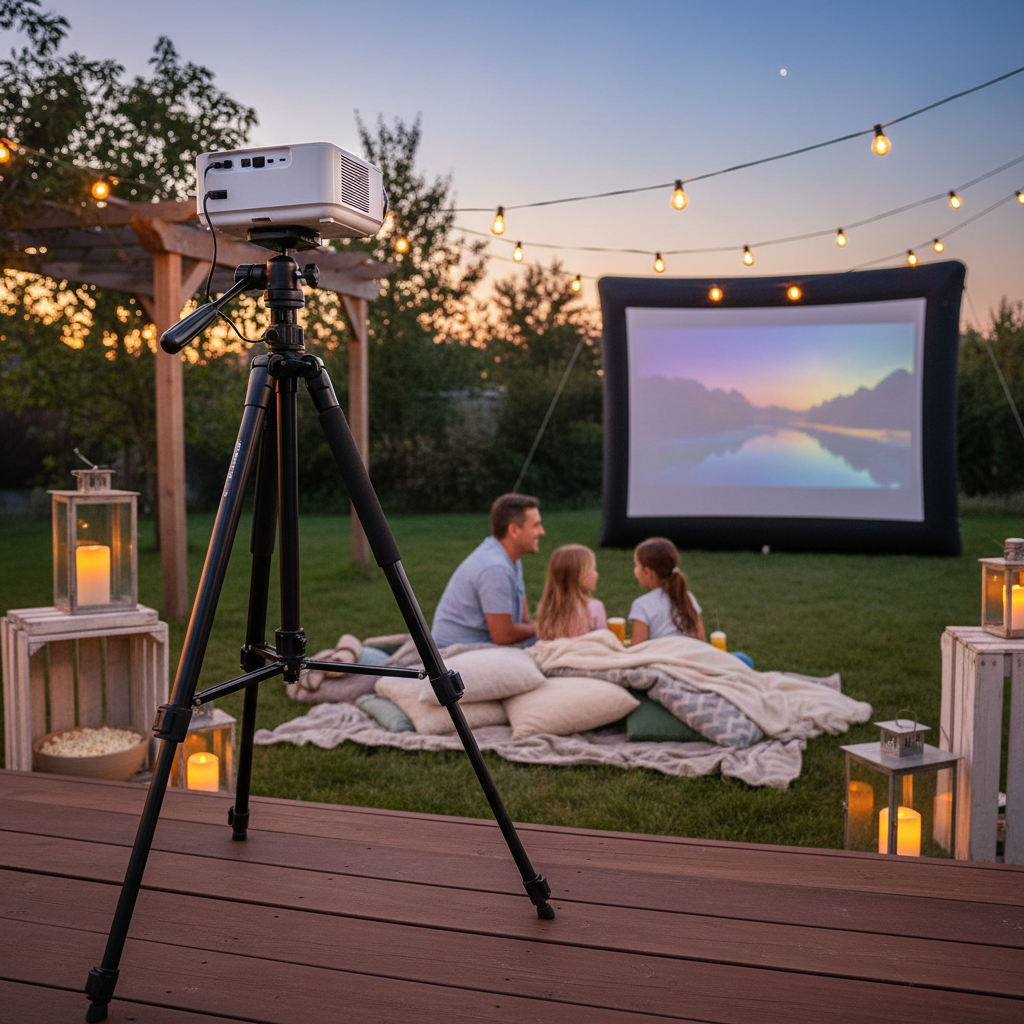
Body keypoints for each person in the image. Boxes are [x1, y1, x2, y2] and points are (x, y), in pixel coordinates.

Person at [431, 493, 545, 647]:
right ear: (514, 530)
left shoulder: (511, 559)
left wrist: (541, 629)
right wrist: (545, 628)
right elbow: (503, 635)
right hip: (458, 652)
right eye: (536, 525)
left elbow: (523, 621)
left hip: (485, 645)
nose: (542, 532)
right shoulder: (495, 568)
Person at [628, 537, 706, 644]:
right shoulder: (686, 596)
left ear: (647, 572)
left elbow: (637, 649)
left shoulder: (641, 605)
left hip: (661, 660)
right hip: (689, 659)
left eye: (636, 566)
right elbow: (701, 640)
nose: (634, 570)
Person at [535, 544, 608, 640]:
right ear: (580, 576)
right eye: (593, 569)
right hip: (584, 654)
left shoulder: (545, 607)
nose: (596, 574)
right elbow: (604, 643)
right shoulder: (595, 607)